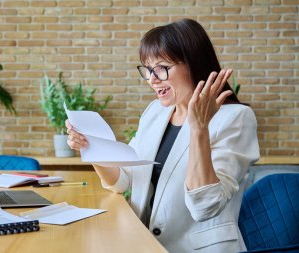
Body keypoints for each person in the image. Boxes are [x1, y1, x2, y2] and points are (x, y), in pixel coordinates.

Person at [66, 18, 259, 253]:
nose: (152, 79)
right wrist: (91, 147)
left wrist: (199, 128)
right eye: (147, 69)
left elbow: (205, 206)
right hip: (144, 244)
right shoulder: (155, 112)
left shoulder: (236, 118)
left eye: (162, 68)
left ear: (193, 63)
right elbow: (124, 179)